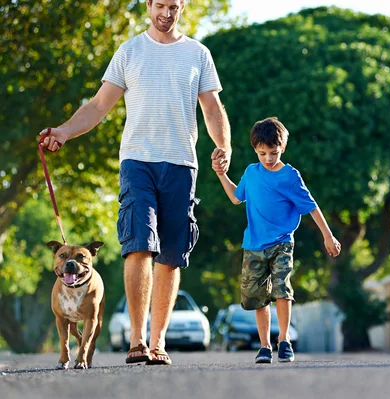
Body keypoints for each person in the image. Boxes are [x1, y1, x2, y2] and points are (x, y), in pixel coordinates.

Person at [39, 0, 231, 365]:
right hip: (137, 161)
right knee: (139, 244)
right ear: (148, 5)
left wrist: (224, 146)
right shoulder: (129, 51)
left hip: (181, 163)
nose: (167, 13)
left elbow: (211, 108)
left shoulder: (198, 54)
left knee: (171, 254)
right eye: (161, 5)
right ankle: (137, 340)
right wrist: (63, 132)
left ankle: (158, 343)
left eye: (174, 6)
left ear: (182, 8)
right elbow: (98, 106)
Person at [211, 117, 341, 363]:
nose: (268, 159)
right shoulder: (251, 172)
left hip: (282, 242)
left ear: (282, 148)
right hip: (253, 245)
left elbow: (311, 207)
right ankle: (264, 346)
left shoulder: (290, 176)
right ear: (255, 150)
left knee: (282, 289)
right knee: (257, 298)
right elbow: (236, 198)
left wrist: (328, 235)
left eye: (273, 153)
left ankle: (284, 340)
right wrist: (221, 174)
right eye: (262, 154)